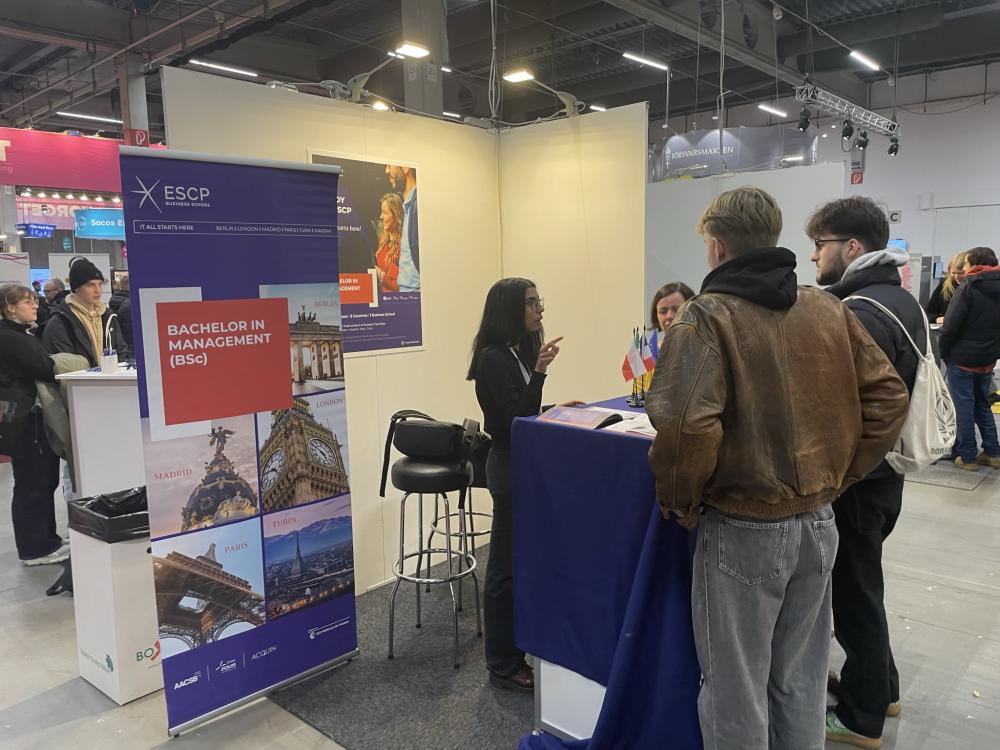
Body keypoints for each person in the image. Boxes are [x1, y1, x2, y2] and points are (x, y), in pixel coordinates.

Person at [645, 187, 908, 750]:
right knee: (801, 681)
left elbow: (686, 428)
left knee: (734, 692)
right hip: (819, 525)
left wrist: (680, 502)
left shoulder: (704, 318)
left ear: (717, 247)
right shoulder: (827, 308)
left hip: (742, 527)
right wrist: (840, 475)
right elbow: (889, 397)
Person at [807, 196, 926, 748]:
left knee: (853, 596)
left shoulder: (860, 312)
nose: (814, 257)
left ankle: (861, 717)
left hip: (858, 479)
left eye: (820, 245)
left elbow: (845, 407)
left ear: (851, 246)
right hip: (883, 476)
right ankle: (882, 688)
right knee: (863, 588)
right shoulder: (898, 298)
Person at [467, 278, 577, 693]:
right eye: (531, 303)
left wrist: (555, 409)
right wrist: (541, 373)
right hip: (509, 468)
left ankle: (518, 649)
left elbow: (522, 410)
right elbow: (514, 420)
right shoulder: (493, 358)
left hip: (522, 466)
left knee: (518, 564)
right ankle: (502, 663)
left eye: (538, 301)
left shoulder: (515, 351)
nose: (540, 309)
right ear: (509, 309)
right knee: (504, 570)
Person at [0, 284, 68, 566]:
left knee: (44, 479)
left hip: (31, 416)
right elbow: (44, 367)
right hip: (25, 419)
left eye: (34, 301)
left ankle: (47, 538)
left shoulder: (20, 334)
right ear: (10, 307)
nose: (35, 306)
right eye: (27, 302)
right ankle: (35, 548)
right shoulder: (9, 337)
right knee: (33, 483)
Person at [938, 246, 1000, 471]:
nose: (963, 269)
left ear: (974, 264)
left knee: (963, 406)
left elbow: (951, 325)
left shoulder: (969, 287)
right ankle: (993, 453)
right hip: (987, 359)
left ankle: (967, 456)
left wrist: (943, 351)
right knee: (982, 403)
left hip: (962, 359)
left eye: (964, 264)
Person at [43, 256, 127, 367]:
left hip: (110, 377)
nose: (98, 290)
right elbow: (65, 366)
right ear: (76, 287)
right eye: (90, 285)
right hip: (80, 378)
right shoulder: (60, 322)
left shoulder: (108, 317)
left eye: (100, 284)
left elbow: (121, 352)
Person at [385, 164, 420, 291]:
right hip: (407, 293)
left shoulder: (418, 205)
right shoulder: (407, 207)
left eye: (389, 165)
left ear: (405, 168)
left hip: (415, 292)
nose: (386, 171)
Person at [925, 250, 968, 323]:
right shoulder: (944, 285)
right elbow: (928, 313)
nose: (956, 276)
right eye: (953, 273)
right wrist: (936, 319)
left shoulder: (973, 287)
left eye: (960, 273)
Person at [649, 281, 695, 346]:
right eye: (663, 311)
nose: (669, 316)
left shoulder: (706, 349)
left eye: (676, 309)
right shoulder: (652, 351)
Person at [375, 193, 403, 293]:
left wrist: (381, 275)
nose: (381, 216)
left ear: (395, 215)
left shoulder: (404, 246)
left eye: (385, 213)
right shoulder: (383, 241)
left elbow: (402, 285)